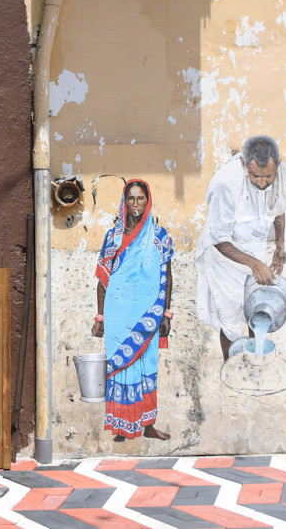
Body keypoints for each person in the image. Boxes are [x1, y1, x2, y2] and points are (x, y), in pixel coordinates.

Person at [195, 136, 286, 361]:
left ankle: (254, 363)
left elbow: (279, 207)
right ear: (243, 164)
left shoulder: (283, 174)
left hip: (254, 245)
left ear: (277, 165)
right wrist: (254, 264)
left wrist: (279, 247)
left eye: (268, 176)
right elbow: (219, 239)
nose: (262, 183)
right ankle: (230, 366)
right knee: (230, 314)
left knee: (257, 304)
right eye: (255, 176)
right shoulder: (225, 185)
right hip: (224, 256)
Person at [93, 179, 174, 441]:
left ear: (147, 201)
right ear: (124, 201)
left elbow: (167, 276)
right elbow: (103, 279)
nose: (136, 204)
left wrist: (165, 314)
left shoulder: (160, 238)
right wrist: (100, 317)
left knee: (146, 366)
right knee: (120, 367)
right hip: (118, 314)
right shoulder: (114, 237)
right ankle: (121, 427)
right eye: (131, 198)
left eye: (141, 198)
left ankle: (147, 426)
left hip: (147, 314)